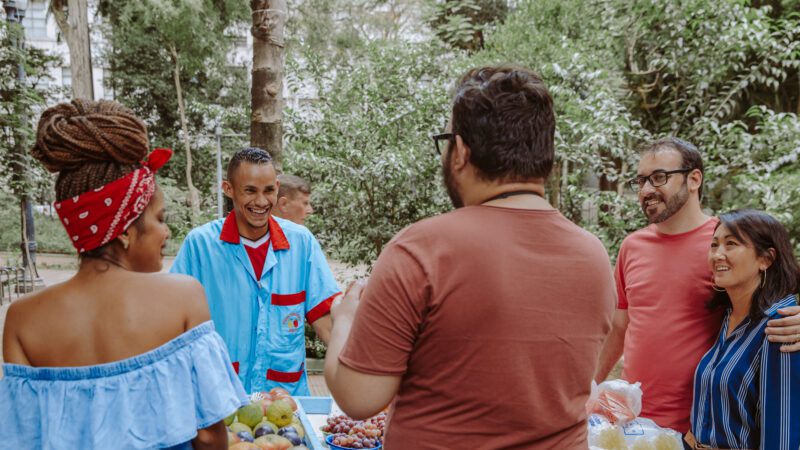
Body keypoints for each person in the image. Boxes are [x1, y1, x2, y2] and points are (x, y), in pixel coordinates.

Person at [324, 65, 616, 449]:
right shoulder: (593, 254)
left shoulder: (422, 248)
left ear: (460, 151)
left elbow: (359, 398)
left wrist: (345, 320)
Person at [0, 99, 247, 450]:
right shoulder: (184, 297)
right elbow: (208, 435)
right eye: (160, 219)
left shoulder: (21, 320)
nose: (166, 233)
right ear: (123, 230)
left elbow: (23, 439)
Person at [594, 138, 800, 434]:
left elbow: (775, 290)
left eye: (659, 177)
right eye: (640, 181)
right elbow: (619, 326)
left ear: (694, 179)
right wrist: (589, 388)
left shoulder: (725, 247)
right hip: (632, 423)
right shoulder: (632, 246)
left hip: (700, 428)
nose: (646, 190)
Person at [171, 147, 340, 395]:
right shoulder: (200, 245)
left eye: (268, 190)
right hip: (219, 400)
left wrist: (355, 378)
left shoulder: (301, 243)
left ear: (277, 187)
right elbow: (174, 325)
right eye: (250, 190)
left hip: (287, 402)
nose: (261, 201)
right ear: (228, 189)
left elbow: (325, 321)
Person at [687, 210, 800, 449]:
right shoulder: (728, 316)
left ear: (766, 259)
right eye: (714, 244)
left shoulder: (781, 327)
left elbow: (782, 437)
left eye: (731, 244)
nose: (718, 254)